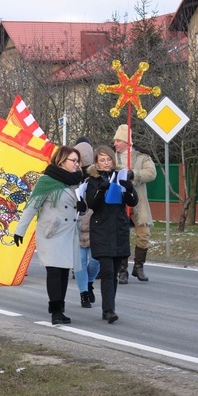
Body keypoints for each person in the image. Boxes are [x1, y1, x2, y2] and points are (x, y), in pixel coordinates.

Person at [13, 145, 86, 325]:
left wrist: (83, 207)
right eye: (73, 161)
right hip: (51, 233)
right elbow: (32, 207)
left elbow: (79, 207)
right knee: (54, 271)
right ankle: (55, 312)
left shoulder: (77, 182)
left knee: (63, 273)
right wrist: (19, 230)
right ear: (62, 161)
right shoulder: (46, 181)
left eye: (78, 161)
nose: (77, 164)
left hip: (69, 233)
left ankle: (60, 308)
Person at [85, 146, 138, 323]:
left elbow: (132, 201)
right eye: (102, 160)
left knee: (114, 271)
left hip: (119, 229)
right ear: (96, 162)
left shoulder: (120, 176)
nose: (106, 163)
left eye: (109, 159)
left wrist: (129, 187)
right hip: (101, 229)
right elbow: (92, 205)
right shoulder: (92, 179)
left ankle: (109, 307)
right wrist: (101, 189)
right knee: (107, 271)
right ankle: (108, 310)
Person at [113, 124, 156, 284]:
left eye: (118, 140)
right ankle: (122, 271)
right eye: (115, 141)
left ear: (126, 141)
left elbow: (151, 173)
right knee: (122, 237)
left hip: (138, 203)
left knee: (144, 235)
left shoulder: (142, 157)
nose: (115, 143)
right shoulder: (112, 157)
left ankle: (138, 267)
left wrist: (133, 174)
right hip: (119, 203)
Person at [74, 139, 100, 308]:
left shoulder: (96, 177)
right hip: (76, 223)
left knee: (95, 260)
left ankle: (89, 282)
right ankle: (84, 292)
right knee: (80, 261)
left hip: (96, 223)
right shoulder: (71, 176)